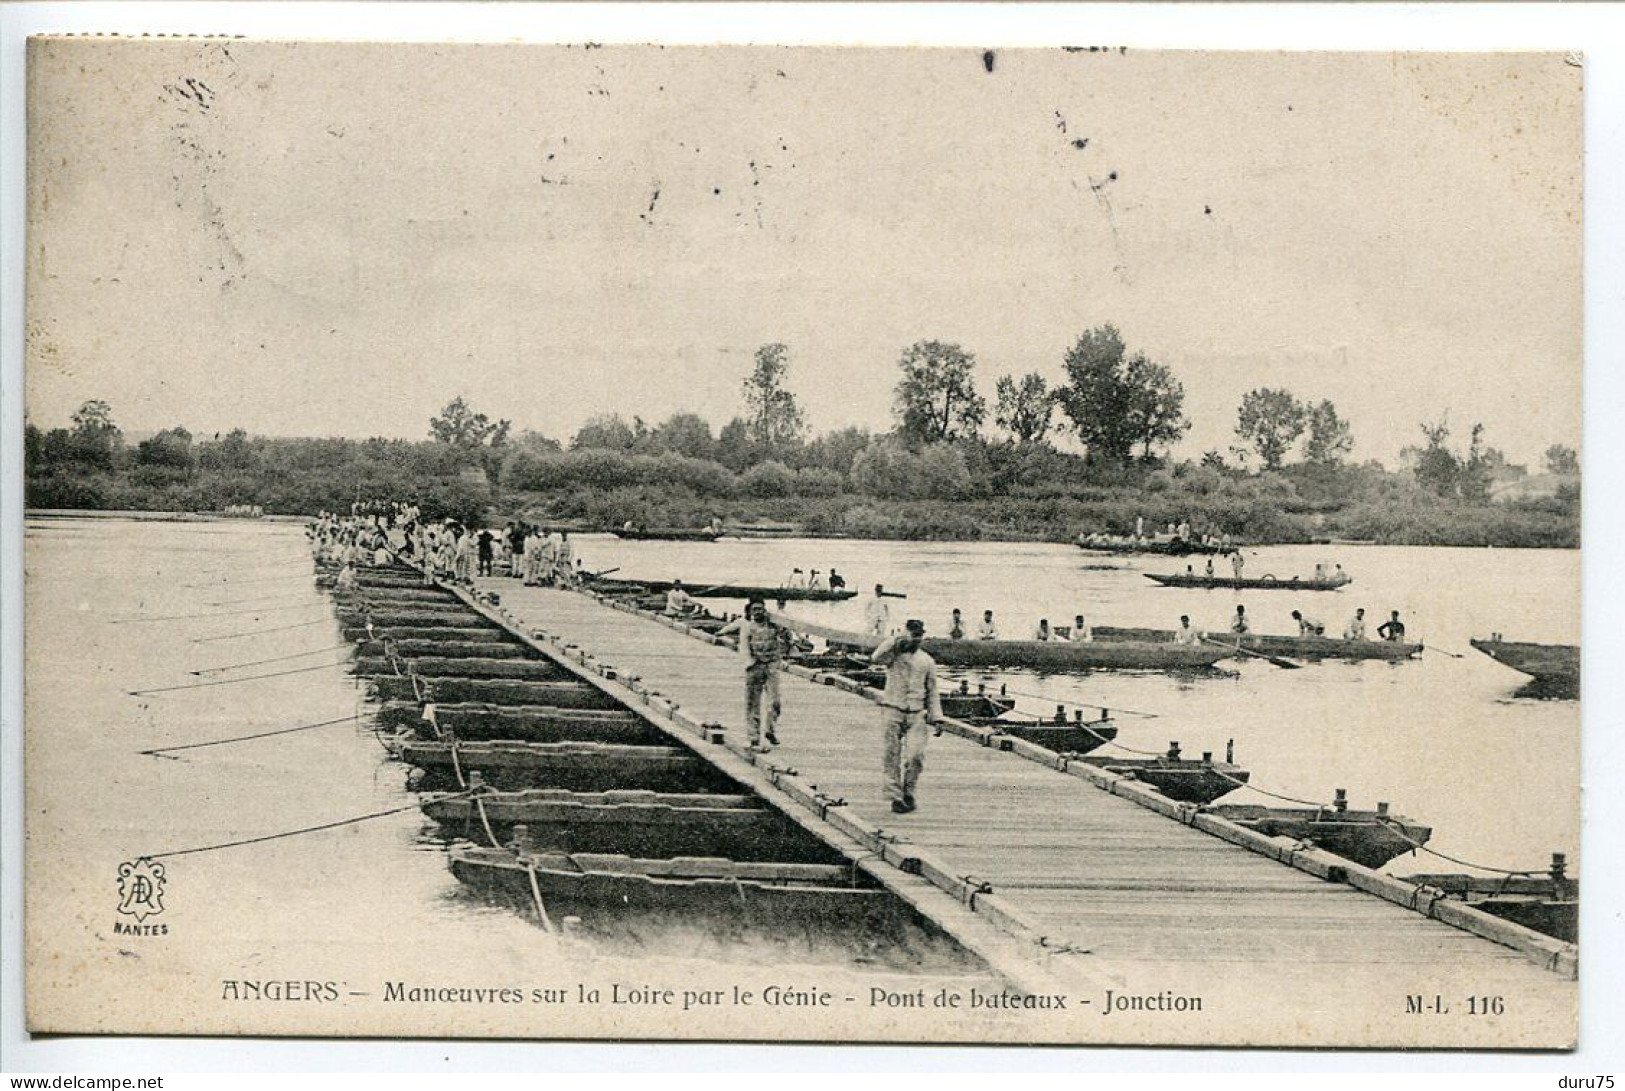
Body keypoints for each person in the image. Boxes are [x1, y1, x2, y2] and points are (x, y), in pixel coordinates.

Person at [872, 619, 942, 815]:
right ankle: (895, 797)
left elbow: (932, 690)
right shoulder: (893, 655)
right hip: (892, 708)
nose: (917, 638)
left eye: (919, 635)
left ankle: (909, 792)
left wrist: (937, 718)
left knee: (916, 756)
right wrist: (895, 640)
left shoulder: (927, 661)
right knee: (891, 755)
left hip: (916, 713)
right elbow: (876, 657)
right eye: (913, 634)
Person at [716, 599, 792, 751]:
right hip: (754, 666)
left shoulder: (773, 625)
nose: (758, 612)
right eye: (754, 609)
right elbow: (741, 642)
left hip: (771, 666)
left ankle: (770, 730)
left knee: (775, 701)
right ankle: (753, 737)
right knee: (752, 704)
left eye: (760, 609)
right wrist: (721, 633)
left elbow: (788, 637)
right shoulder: (747, 626)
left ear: (765, 611)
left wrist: (787, 637)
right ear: (749, 612)